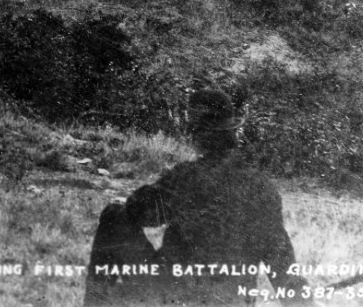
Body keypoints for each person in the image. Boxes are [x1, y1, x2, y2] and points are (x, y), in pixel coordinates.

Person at [85, 87, 294, 306]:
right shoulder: (263, 187)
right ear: (232, 132)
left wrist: (158, 188)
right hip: (234, 300)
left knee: (113, 215)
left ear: (197, 133)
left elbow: (138, 211)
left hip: (175, 296)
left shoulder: (186, 177)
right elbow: (282, 262)